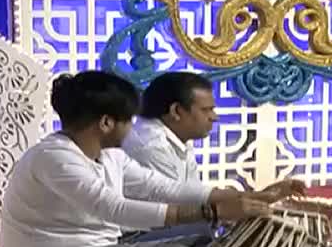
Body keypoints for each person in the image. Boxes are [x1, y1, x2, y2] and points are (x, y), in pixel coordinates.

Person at [0, 70, 271, 247]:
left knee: (202, 242)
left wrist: (251, 197)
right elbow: (112, 209)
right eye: (128, 121)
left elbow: (159, 187)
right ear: (106, 122)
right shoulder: (54, 158)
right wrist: (213, 212)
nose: (133, 129)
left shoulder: (109, 155)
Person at [122, 71, 305, 206]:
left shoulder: (179, 138)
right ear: (176, 111)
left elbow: (196, 197)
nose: (214, 117)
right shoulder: (151, 146)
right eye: (206, 110)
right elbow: (183, 209)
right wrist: (259, 198)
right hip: (138, 237)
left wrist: (261, 196)